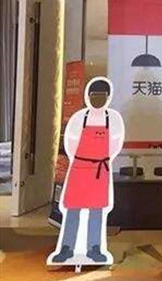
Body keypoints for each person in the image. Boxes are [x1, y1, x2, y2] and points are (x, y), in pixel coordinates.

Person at [48, 77, 124, 264]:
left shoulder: (113, 118)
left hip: (100, 169)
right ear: (88, 97)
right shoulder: (79, 118)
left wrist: (99, 159)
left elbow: (115, 143)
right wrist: (83, 160)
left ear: (107, 97)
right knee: (73, 210)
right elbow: (71, 143)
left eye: (101, 96)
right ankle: (66, 248)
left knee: (96, 211)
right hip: (79, 169)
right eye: (94, 96)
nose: (97, 100)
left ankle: (94, 248)